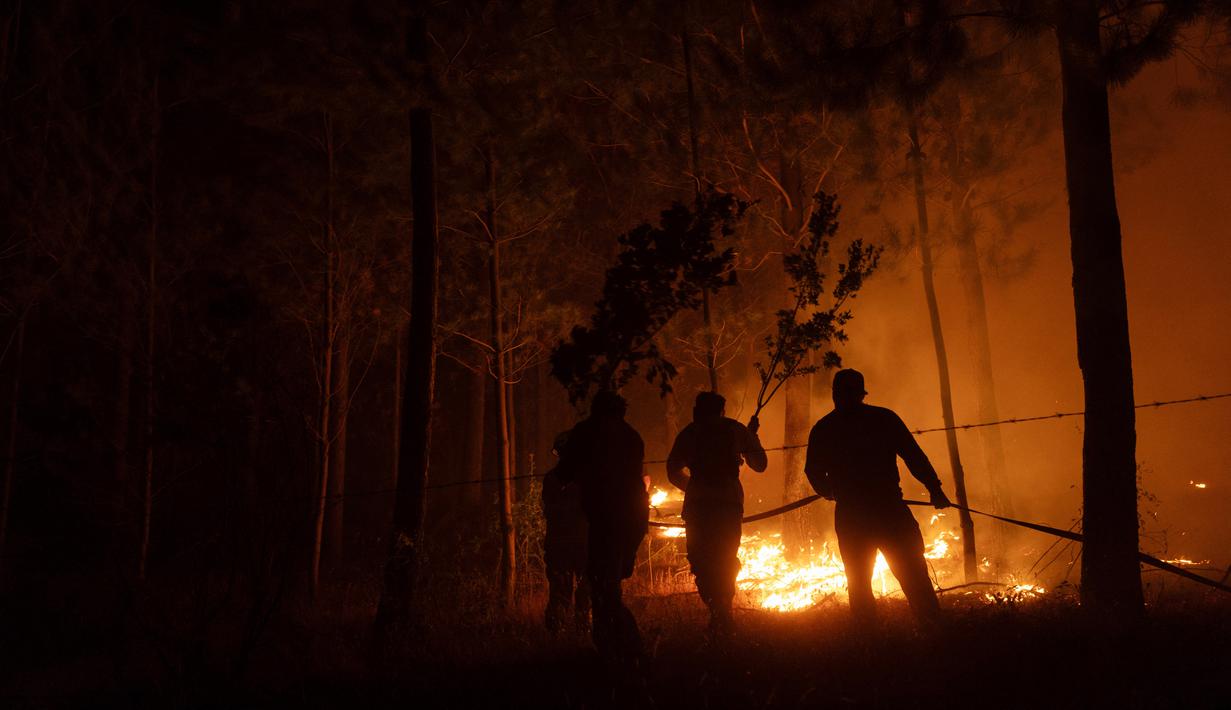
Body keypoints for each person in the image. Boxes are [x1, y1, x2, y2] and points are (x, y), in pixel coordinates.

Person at [804, 368, 952, 626]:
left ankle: (870, 640)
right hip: (886, 509)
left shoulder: (826, 427)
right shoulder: (883, 419)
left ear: (837, 395)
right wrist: (934, 488)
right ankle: (931, 628)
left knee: (863, 579)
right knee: (909, 573)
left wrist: (830, 491)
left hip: (857, 513)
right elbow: (913, 456)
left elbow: (813, 471)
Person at [554, 390, 649, 663]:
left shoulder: (586, 431)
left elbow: (564, 472)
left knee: (602, 584)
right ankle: (613, 647)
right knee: (610, 581)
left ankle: (627, 647)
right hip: (633, 518)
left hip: (607, 519)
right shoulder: (632, 435)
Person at [666, 392, 767, 636]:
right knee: (724, 559)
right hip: (727, 505)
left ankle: (718, 612)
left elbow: (672, 470)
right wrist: (751, 437)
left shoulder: (690, 433)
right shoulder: (735, 429)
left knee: (701, 561)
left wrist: (693, 487)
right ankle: (723, 612)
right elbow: (760, 465)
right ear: (722, 410)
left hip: (699, 507)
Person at [541, 430, 590, 633]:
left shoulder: (552, 479)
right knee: (570, 589)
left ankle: (572, 629)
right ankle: (566, 629)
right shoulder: (585, 479)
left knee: (577, 588)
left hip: (568, 542)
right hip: (573, 542)